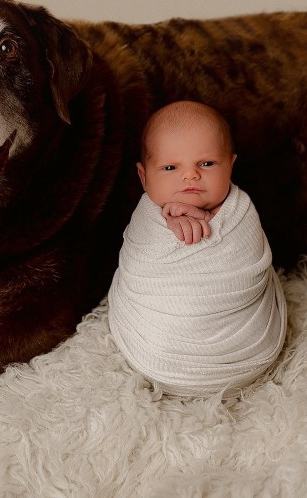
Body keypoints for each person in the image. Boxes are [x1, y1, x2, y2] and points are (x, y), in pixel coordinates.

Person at [108, 101, 287, 397]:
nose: (190, 176)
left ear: (230, 165)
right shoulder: (148, 220)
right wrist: (170, 222)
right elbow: (144, 259)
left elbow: (246, 261)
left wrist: (211, 224)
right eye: (169, 167)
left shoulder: (240, 213)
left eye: (206, 164)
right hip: (159, 353)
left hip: (242, 353)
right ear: (144, 177)